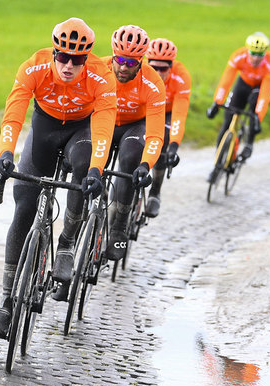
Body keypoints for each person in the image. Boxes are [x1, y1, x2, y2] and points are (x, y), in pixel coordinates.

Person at [0, 17, 117, 339]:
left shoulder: (102, 76)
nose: (69, 65)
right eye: (63, 57)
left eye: (77, 60)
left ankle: (67, 244)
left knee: (84, 168)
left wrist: (97, 169)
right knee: (24, 208)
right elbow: (15, 109)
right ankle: (6, 302)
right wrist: (5, 153)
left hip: (80, 131)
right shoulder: (34, 66)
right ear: (54, 52)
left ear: (87, 59)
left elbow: (103, 126)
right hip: (44, 127)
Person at [101, 25, 166, 260]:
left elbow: (156, 133)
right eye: (119, 59)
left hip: (134, 127)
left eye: (131, 62)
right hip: (105, 122)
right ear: (112, 55)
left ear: (141, 61)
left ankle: (119, 226)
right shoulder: (98, 69)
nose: (123, 67)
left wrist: (146, 164)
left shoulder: (153, 83)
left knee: (129, 159)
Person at [206, 32, 270, 165]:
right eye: (253, 53)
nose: (256, 58)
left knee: (254, 107)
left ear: (265, 54)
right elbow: (226, 81)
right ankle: (217, 162)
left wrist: (258, 117)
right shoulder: (238, 56)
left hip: (259, 87)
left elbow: (265, 95)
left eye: (260, 55)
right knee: (228, 118)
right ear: (247, 50)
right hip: (243, 83)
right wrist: (217, 103)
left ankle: (249, 144)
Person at [145, 38, 191, 218]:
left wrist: (174, 145)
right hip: (145, 109)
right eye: (153, 67)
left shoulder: (182, 77)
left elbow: (179, 114)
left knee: (162, 141)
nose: (157, 72)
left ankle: (155, 192)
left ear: (171, 67)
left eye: (163, 69)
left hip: (168, 113)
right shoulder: (138, 70)